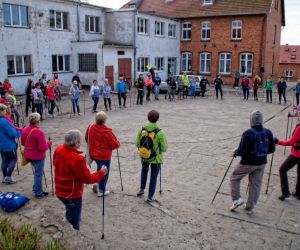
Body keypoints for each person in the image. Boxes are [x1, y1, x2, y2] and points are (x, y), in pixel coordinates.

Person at [54, 129, 108, 230]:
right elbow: (87, 178)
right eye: (80, 141)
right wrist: (101, 173)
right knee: (74, 217)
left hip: (59, 189)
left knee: (70, 209)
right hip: (72, 193)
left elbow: (55, 164)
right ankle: (73, 231)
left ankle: (69, 220)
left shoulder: (58, 149)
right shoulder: (77, 159)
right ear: (76, 143)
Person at [230, 110, 275, 214]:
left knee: (235, 177)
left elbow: (242, 151)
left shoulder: (248, 133)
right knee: (256, 184)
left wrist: (235, 152)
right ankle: (250, 207)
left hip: (248, 163)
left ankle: (237, 199)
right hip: (262, 162)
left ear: (252, 120)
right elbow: (272, 149)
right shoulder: (268, 132)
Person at [136, 110, 168, 202]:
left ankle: (142, 189)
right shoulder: (160, 132)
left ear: (148, 118)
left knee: (144, 171)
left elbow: (137, 143)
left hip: (144, 155)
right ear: (157, 119)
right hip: (156, 158)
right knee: (153, 176)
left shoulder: (142, 130)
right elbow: (164, 148)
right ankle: (150, 197)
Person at [85, 111, 120, 196]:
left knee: (100, 169)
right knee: (104, 172)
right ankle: (101, 190)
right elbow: (114, 145)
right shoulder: (107, 132)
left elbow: (87, 138)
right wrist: (117, 143)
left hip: (93, 154)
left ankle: (97, 185)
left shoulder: (91, 127)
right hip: (104, 156)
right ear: (104, 121)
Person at [21, 113, 51, 198]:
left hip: (29, 155)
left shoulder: (25, 129)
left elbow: (23, 143)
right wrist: (49, 143)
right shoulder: (39, 132)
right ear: (38, 121)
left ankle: (36, 188)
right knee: (38, 174)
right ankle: (38, 193)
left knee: (37, 173)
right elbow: (42, 148)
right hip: (38, 157)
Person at [274, 115, 300, 200]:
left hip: (296, 154)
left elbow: (291, 142)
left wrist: (278, 142)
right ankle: (298, 193)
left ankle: (285, 192)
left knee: (282, 169)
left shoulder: (299, 128)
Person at [0, 104, 21, 184]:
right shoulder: (4, 121)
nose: (6, 112)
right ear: (1, 111)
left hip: (1, 145)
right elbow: (12, 133)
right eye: (4, 110)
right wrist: (19, 132)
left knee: (4, 161)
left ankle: (5, 177)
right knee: (13, 159)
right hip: (9, 144)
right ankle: (8, 177)